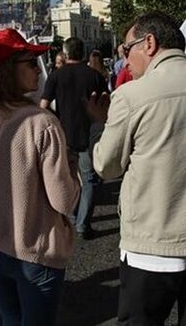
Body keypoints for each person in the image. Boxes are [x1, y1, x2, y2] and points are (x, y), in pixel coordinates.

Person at [86, 12, 186, 326]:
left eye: (127, 50)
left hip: (153, 243)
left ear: (150, 43)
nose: (125, 60)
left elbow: (105, 165)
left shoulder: (131, 96)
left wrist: (99, 126)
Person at [0, 29, 81, 325]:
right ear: (6, 71)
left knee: (10, 319)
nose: (39, 68)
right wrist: (73, 173)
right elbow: (63, 201)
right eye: (30, 61)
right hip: (32, 249)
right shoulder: (40, 123)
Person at [40, 37, 108, 239]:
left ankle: (72, 214)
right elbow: (107, 103)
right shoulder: (95, 76)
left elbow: (43, 107)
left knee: (67, 178)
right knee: (89, 180)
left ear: (66, 53)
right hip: (90, 134)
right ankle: (83, 223)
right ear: (83, 53)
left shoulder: (55, 76)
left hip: (64, 135)